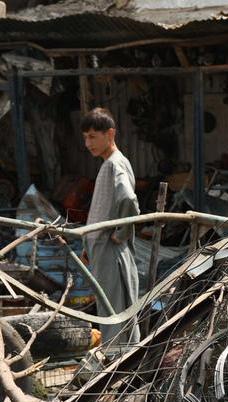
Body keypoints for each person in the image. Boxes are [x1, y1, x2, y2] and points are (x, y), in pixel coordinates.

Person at [81, 107, 141, 345]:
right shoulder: (112, 163)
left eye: (93, 136)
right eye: (85, 137)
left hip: (110, 251)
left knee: (114, 314)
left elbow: (127, 199)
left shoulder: (113, 164)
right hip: (103, 249)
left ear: (110, 134)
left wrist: (122, 232)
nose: (88, 143)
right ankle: (125, 365)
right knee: (118, 310)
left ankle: (118, 369)